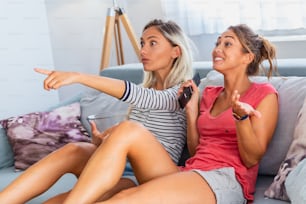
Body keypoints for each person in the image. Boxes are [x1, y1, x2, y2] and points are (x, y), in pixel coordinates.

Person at [40, 24, 278, 204]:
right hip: (189, 171)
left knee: (125, 199)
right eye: (218, 42)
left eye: (227, 44)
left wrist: (241, 119)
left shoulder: (264, 94)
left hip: (225, 179)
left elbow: (251, 159)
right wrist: (192, 110)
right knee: (128, 130)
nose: (217, 49)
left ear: (247, 57)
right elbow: (196, 151)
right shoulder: (209, 93)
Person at [0, 19, 194, 203]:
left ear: (175, 51)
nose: (143, 50)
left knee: (128, 128)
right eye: (142, 43)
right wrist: (106, 144)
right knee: (74, 150)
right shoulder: (147, 89)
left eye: (153, 43)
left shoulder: (182, 91)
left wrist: (78, 76)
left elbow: (139, 96)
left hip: (156, 174)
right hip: (125, 171)